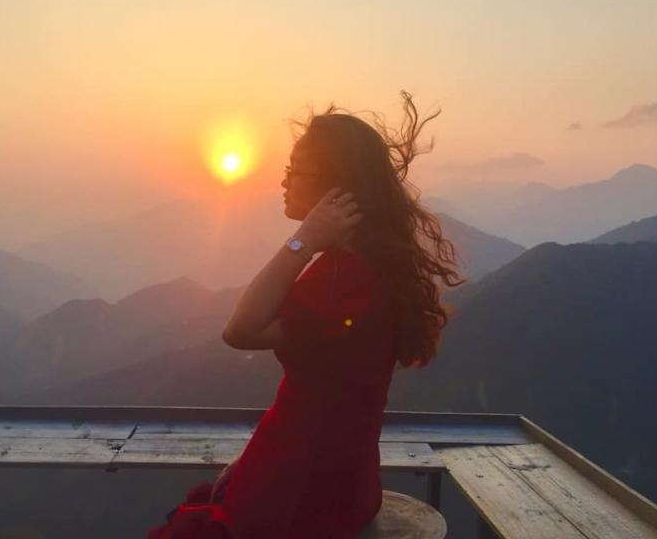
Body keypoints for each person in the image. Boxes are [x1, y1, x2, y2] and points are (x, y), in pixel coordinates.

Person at [146, 91, 465, 539]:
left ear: (334, 187)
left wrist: (303, 240)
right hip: (335, 478)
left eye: (295, 170)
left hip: (302, 491)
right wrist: (252, 462)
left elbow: (240, 330)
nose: (284, 181)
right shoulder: (371, 269)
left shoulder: (342, 281)